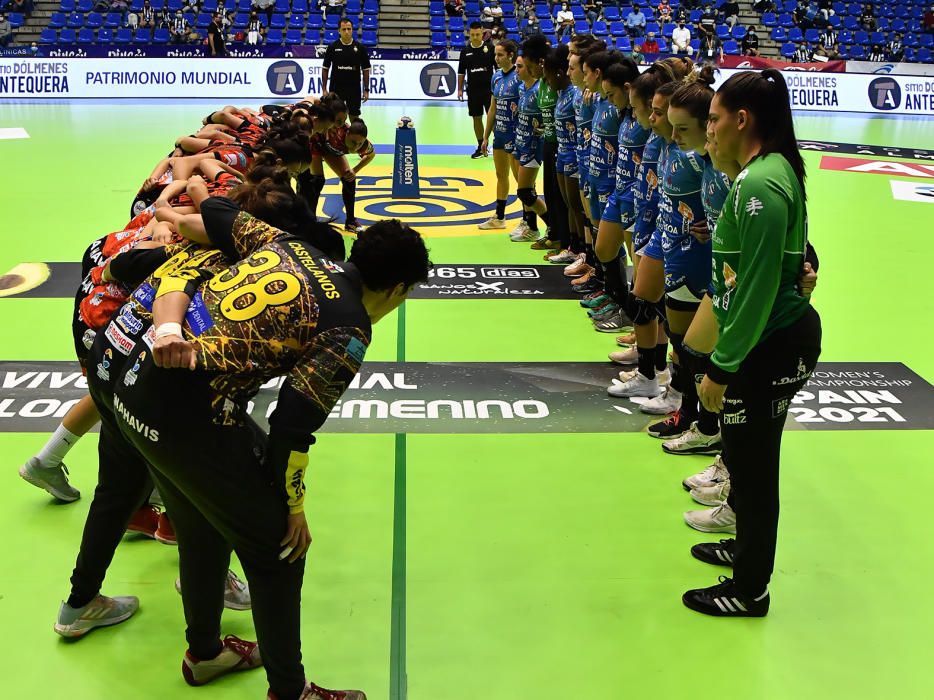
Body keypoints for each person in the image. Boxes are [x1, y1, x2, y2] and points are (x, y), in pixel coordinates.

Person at [88, 210, 429, 697]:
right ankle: (291, 691)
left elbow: (217, 213)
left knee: (201, 525)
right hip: (189, 416)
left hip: (134, 387)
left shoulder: (293, 245)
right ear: (397, 290)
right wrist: (290, 507)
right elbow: (291, 426)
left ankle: (205, 655)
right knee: (280, 552)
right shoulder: (348, 330)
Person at [683, 68, 822, 618]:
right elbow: (792, 255)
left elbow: (761, 287)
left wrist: (722, 366)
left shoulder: (761, 182)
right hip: (766, 339)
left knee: (755, 464)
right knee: (743, 457)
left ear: (743, 120)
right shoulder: (765, 173)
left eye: (714, 119)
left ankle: (750, 588)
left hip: (771, 345)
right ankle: (745, 552)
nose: (709, 131)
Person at [508, 36, 551, 242]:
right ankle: (530, 225)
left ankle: (551, 226)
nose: (517, 70)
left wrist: (540, 129)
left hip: (533, 145)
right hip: (520, 142)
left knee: (525, 191)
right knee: (526, 189)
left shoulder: (539, 89)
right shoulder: (522, 88)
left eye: (520, 67)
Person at [479, 39, 521, 230]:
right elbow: (492, 109)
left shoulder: (519, 76)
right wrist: (485, 136)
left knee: (522, 181)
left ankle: (528, 221)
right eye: (495, 54)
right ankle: (500, 216)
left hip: (516, 137)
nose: (496, 58)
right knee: (500, 175)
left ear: (510, 55)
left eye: (500, 55)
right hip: (500, 136)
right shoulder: (496, 77)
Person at [457, 21, 496, 159]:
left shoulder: (490, 49)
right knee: (476, 118)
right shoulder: (465, 52)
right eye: (472, 34)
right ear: (469, 34)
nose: (475, 37)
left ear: (482, 33)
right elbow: (461, 72)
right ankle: (480, 146)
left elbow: (497, 70)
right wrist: (460, 90)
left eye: (477, 34)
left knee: (493, 118)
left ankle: (497, 146)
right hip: (473, 91)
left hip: (489, 91)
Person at [321, 18, 371, 119]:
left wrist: (366, 90)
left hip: (354, 89)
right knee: (334, 117)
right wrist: (324, 89)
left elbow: (365, 70)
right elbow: (325, 68)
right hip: (336, 88)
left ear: (352, 30)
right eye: (344, 29)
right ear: (339, 31)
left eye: (349, 29)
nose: (347, 32)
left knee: (354, 116)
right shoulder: (332, 47)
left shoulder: (360, 48)